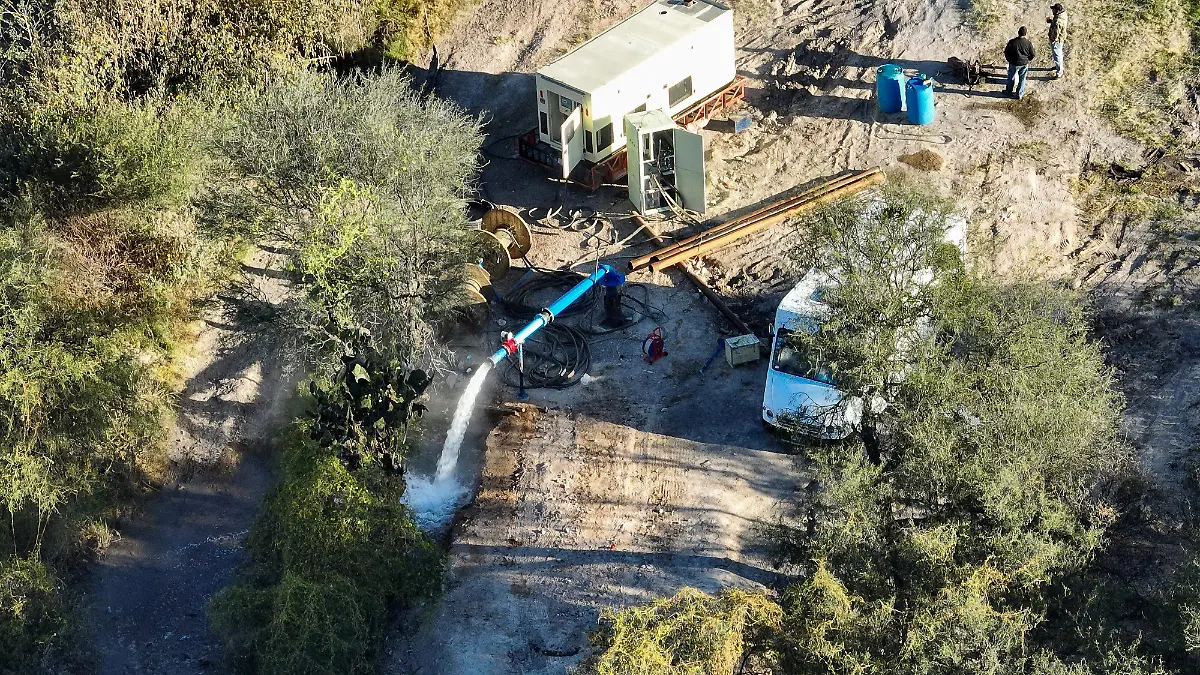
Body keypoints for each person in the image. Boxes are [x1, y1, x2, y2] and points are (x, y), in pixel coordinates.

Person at [1003, 26, 1036, 99]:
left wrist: (1009, 60)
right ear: (1025, 34)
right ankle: (1019, 94)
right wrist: (1028, 59)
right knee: (1022, 79)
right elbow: (1033, 54)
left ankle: (1009, 92)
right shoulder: (1028, 43)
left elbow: (1006, 52)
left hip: (1014, 63)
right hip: (1024, 63)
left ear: (1018, 33)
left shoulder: (1012, 42)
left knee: (1011, 78)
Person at [1047, 3, 1068, 78]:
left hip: (1057, 41)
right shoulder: (1063, 15)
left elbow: (1055, 35)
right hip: (1061, 38)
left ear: (1057, 11)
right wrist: (1051, 21)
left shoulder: (1058, 22)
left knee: (1057, 56)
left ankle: (1059, 73)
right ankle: (1059, 67)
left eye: (1053, 9)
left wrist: (1052, 40)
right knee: (1059, 54)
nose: (1052, 10)